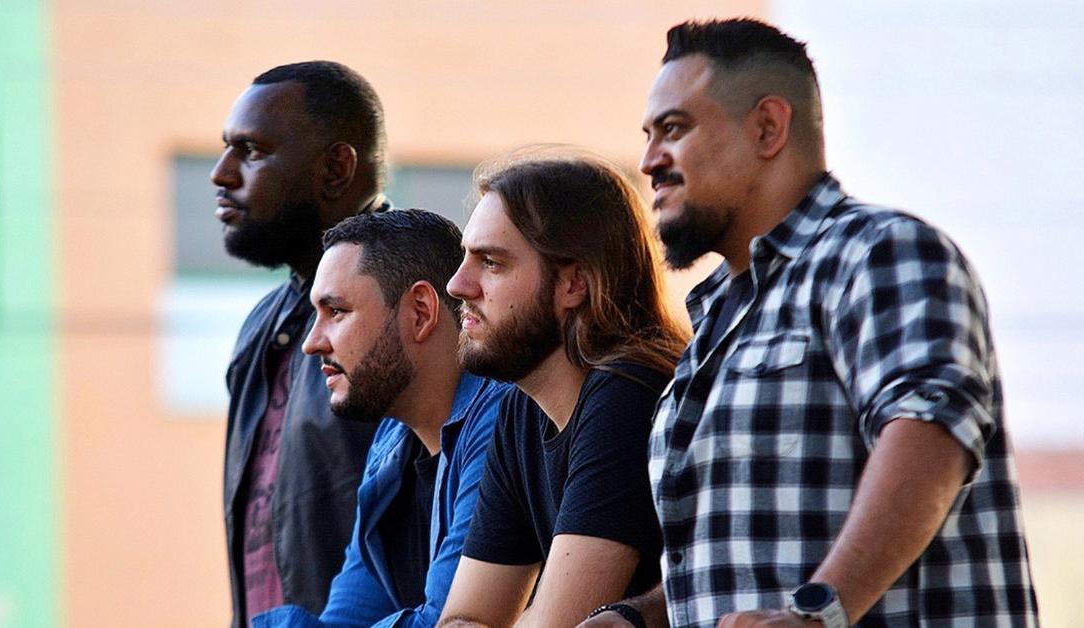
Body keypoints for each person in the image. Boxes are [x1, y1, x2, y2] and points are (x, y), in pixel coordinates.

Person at [587, 18, 1039, 627]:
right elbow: (740, 559)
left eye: (674, 129)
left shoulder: (883, 254)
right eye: (648, 136)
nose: (648, 161)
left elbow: (932, 434)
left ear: (769, 127)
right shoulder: (718, 316)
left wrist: (816, 614)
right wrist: (640, 617)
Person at [436, 151, 690, 628]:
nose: (457, 285)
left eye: (491, 262)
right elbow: (460, 618)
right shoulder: (520, 409)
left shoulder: (628, 395)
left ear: (573, 282)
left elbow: (559, 624)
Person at [252, 209, 508, 628]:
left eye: (336, 311)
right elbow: (344, 619)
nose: (312, 344)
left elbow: (445, 622)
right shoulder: (392, 439)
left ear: (421, 312)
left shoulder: (500, 423)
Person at [212, 61, 391, 628]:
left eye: (251, 150)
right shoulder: (260, 326)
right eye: (226, 148)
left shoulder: (419, 302)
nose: (221, 173)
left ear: (336, 168)